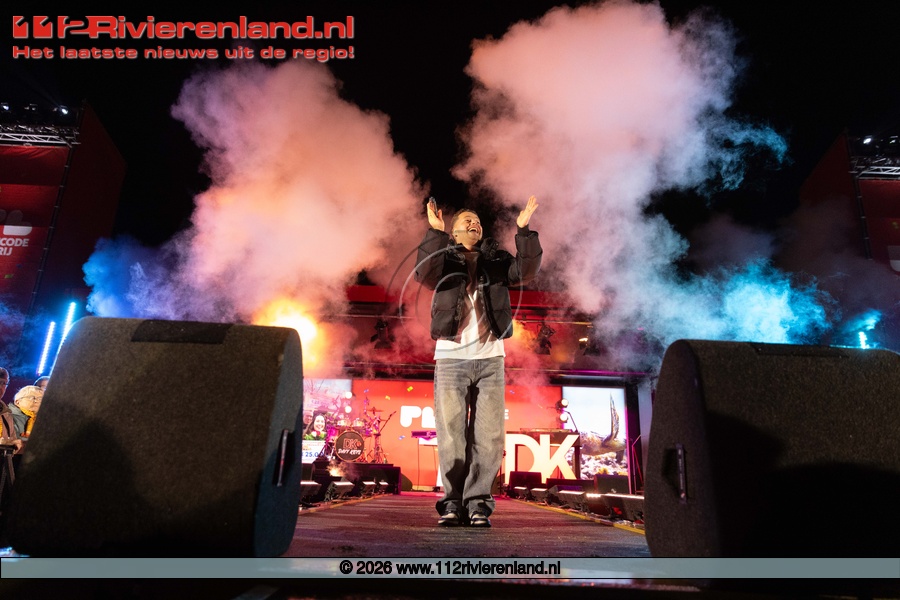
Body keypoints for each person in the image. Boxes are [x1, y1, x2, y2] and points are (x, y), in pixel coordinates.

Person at [415, 196, 542, 527]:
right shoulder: (444, 258)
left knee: (488, 437)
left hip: (490, 359)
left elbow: (526, 271)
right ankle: (452, 503)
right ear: (455, 231)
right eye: (467, 220)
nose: (474, 224)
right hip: (451, 357)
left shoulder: (496, 259)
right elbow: (424, 274)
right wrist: (435, 233)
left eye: (478, 221)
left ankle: (477, 503)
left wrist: (524, 231)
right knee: (451, 436)